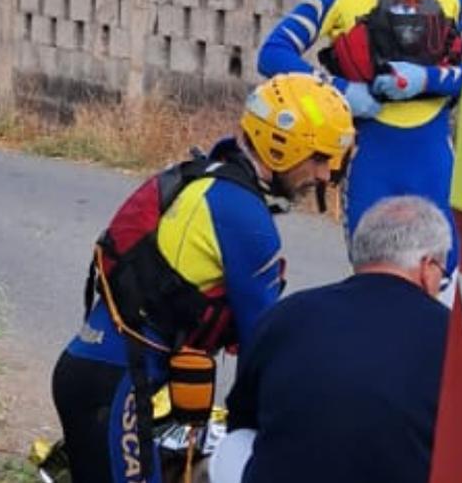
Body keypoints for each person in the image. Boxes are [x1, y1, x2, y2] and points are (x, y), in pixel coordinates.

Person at [51, 73, 355, 483]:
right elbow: (260, 348)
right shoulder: (245, 219)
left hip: (97, 376)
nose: (324, 176)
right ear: (284, 147)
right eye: (320, 158)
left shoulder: (209, 178)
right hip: (114, 391)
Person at [257, 0, 462, 306]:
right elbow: (273, 53)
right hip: (370, 157)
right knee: (375, 280)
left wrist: (428, 80)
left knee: (443, 282)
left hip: (433, 159)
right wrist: (338, 88)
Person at [213, 196, 453, 483]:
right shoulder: (452, 337)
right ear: (427, 267)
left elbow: (242, 418)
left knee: (233, 445)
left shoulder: (287, 314)